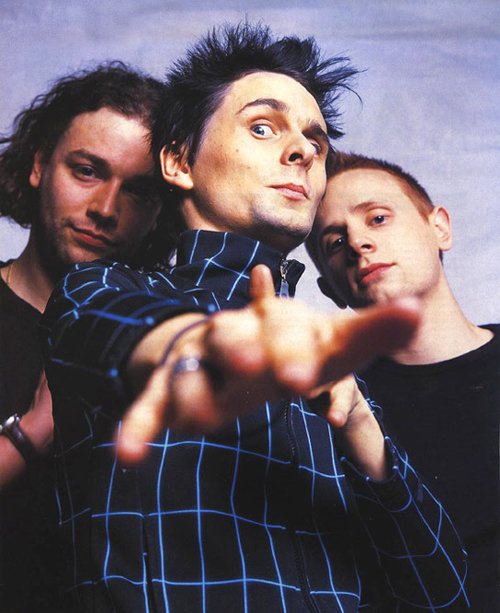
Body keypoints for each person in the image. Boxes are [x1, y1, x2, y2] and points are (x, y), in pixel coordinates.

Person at [42, 24, 469, 611]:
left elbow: (442, 596)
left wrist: (362, 428)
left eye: (315, 143)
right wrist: (198, 345)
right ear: (179, 162)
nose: (303, 152)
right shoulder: (98, 288)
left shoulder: (336, 372)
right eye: (263, 127)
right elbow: (124, 332)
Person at [0, 62, 173, 611]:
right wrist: (33, 432)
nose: (105, 209)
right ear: (38, 166)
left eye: (139, 192)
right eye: (87, 171)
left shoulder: (163, 338)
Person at [307, 151, 499, 611]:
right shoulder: (338, 412)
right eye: (335, 242)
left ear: (440, 228)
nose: (358, 243)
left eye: (377, 218)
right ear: (330, 288)